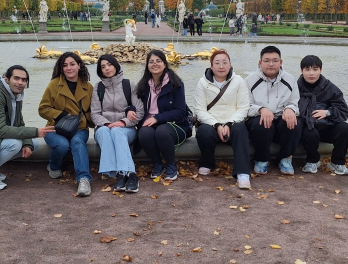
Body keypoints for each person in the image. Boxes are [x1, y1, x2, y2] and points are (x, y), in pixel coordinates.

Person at [193, 50, 252, 188]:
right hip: (212, 124)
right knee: (203, 132)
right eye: (217, 63)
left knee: (240, 129)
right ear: (211, 66)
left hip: (233, 123)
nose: (221, 66)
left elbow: (243, 107)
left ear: (230, 65)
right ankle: (207, 162)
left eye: (225, 62)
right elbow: (199, 110)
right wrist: (217, 125)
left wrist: (230, 123)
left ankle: (243, 172)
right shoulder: (202, 83)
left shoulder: (238, 81)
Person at [39, 52, 95, 197]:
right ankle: (54, 166)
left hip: (79, 128)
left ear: (79, 65)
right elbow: (43, 109)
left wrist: (83, 120)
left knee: (77, 142)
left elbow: (93, 112)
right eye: (65, 65)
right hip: (55, 127)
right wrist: (61, 115)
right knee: (62, 145)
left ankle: (84, 179)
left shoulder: (88, 87)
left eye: (72, 64)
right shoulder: (54, 85)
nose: (68, 68)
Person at [245, 45, 301, 175]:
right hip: (259, 118)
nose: (271, 64)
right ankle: (261, 159)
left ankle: (285, 159)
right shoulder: (249, 80)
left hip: (281, 117)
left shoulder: (290, 79)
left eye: (275, 61)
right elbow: (245, 105)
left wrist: (290, 109)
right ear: (260, 63)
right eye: (267, 60)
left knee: (295, 123)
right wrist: (261, 109)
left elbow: (294, 102)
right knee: (262, 124)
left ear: (281, 62)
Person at [91, 54, 144, 193]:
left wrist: (122, 122)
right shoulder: (98, 88)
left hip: (127, 129)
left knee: (117, 131)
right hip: (105, 127)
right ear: (100, 70)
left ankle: (128, 173)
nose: (107, 68)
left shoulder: (129, 85)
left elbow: (139, 112)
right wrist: (108, 124)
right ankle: (121, 174)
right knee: (103, 131)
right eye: (103, 66)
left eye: (109, 64)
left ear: (115, 65)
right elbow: (94, 114)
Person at [136, 49, 191, 181]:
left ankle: (171, 165)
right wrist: (131, 109)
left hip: (174, 125)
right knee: (143, 133)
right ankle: (158, 163)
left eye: (158, 61)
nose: (155, 64)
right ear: (147, 66)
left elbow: (180, 112)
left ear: (165, 64)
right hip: (150, 123)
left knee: (162, 131)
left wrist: (157, 118)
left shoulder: (176, 84)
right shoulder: (143, 85)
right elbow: (135, 103)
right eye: (151, 62)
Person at [297, 55, 348, 175]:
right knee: (309, 132)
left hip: (327, 127)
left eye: (315, 69)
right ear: (301, 71)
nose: (311, 73)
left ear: (321, 70)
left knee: (345, 128)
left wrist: (327, 112)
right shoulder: (294, 88)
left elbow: (343, 110)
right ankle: (312, 160)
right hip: (308, 128)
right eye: (307, 69)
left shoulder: (331, 88)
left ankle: (337, 162)